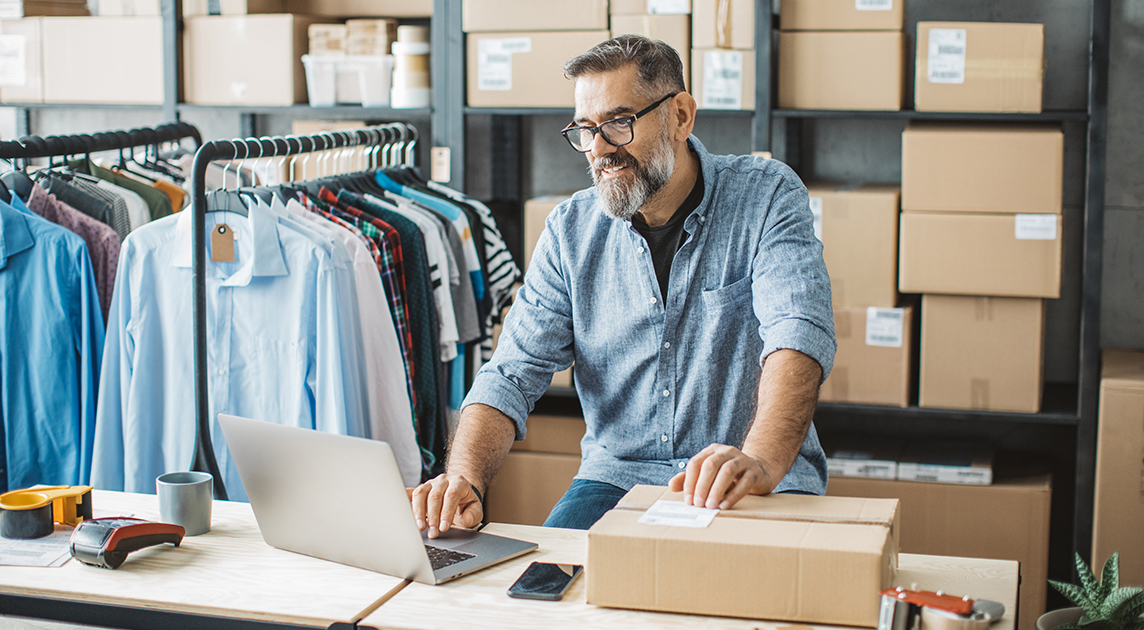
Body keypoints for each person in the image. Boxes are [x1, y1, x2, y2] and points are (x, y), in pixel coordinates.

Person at [411, 34, 835, 537]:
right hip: (616, 482)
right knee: (544, 600)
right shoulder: (570, 230)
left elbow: (797, 336)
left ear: (680, 115)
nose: (599, 150)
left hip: (747, 477)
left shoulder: (766, 196)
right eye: (585, 130)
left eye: (618, 123)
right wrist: (463, 477)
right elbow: (511, 373)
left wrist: (762, 460)